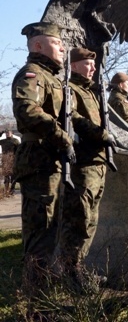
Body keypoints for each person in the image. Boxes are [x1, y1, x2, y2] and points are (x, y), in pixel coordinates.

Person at [11, 22, 76, 289]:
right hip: (39, 161)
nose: (62, 46)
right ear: (38, 45)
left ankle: (45, 302)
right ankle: (38, 310)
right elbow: (27, 109)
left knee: (51, 234)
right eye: (56, 42)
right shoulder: (32, 73)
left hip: (50, 162)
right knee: (40, 239)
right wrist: (61, 137)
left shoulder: (52, 77)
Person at [59, 47, 116, 286]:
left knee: (91, 220)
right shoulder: (70, 89)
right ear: (73, 66)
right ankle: (71, 272)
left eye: (93, 64)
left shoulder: (90, 91)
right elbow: (73, 119)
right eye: (88, 64)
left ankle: (79, 270)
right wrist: (102, 135)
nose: (93, 68)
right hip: (83, 164)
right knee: (79, 220)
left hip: (98, 162)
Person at [0, 129, 20, 196]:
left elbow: (19, 151)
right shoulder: (3, 141)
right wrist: (0, 134)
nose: (7, 134)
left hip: (12, 160)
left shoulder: (15, 141)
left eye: (8, 133)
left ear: (12, 133)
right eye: (6, 133)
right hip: (5, 160)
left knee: (13, 177)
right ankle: (6, 191)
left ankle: (12, 191)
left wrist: (17, 160)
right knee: (6, 177)